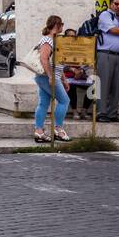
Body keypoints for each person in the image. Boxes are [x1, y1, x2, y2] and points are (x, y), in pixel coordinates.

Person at [33, 15, 71, 144]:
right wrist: (51, 76)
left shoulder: (54, 40)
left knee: (43, 103)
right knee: (64, 101)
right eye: (62, 24)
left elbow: (57, 63)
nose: (62, 27)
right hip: (48, 77)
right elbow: (43, 59)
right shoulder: (47, 40)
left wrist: (64, 79)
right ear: (57, 25)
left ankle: (39, 131)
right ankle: (58, 129)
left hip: (48, 76)